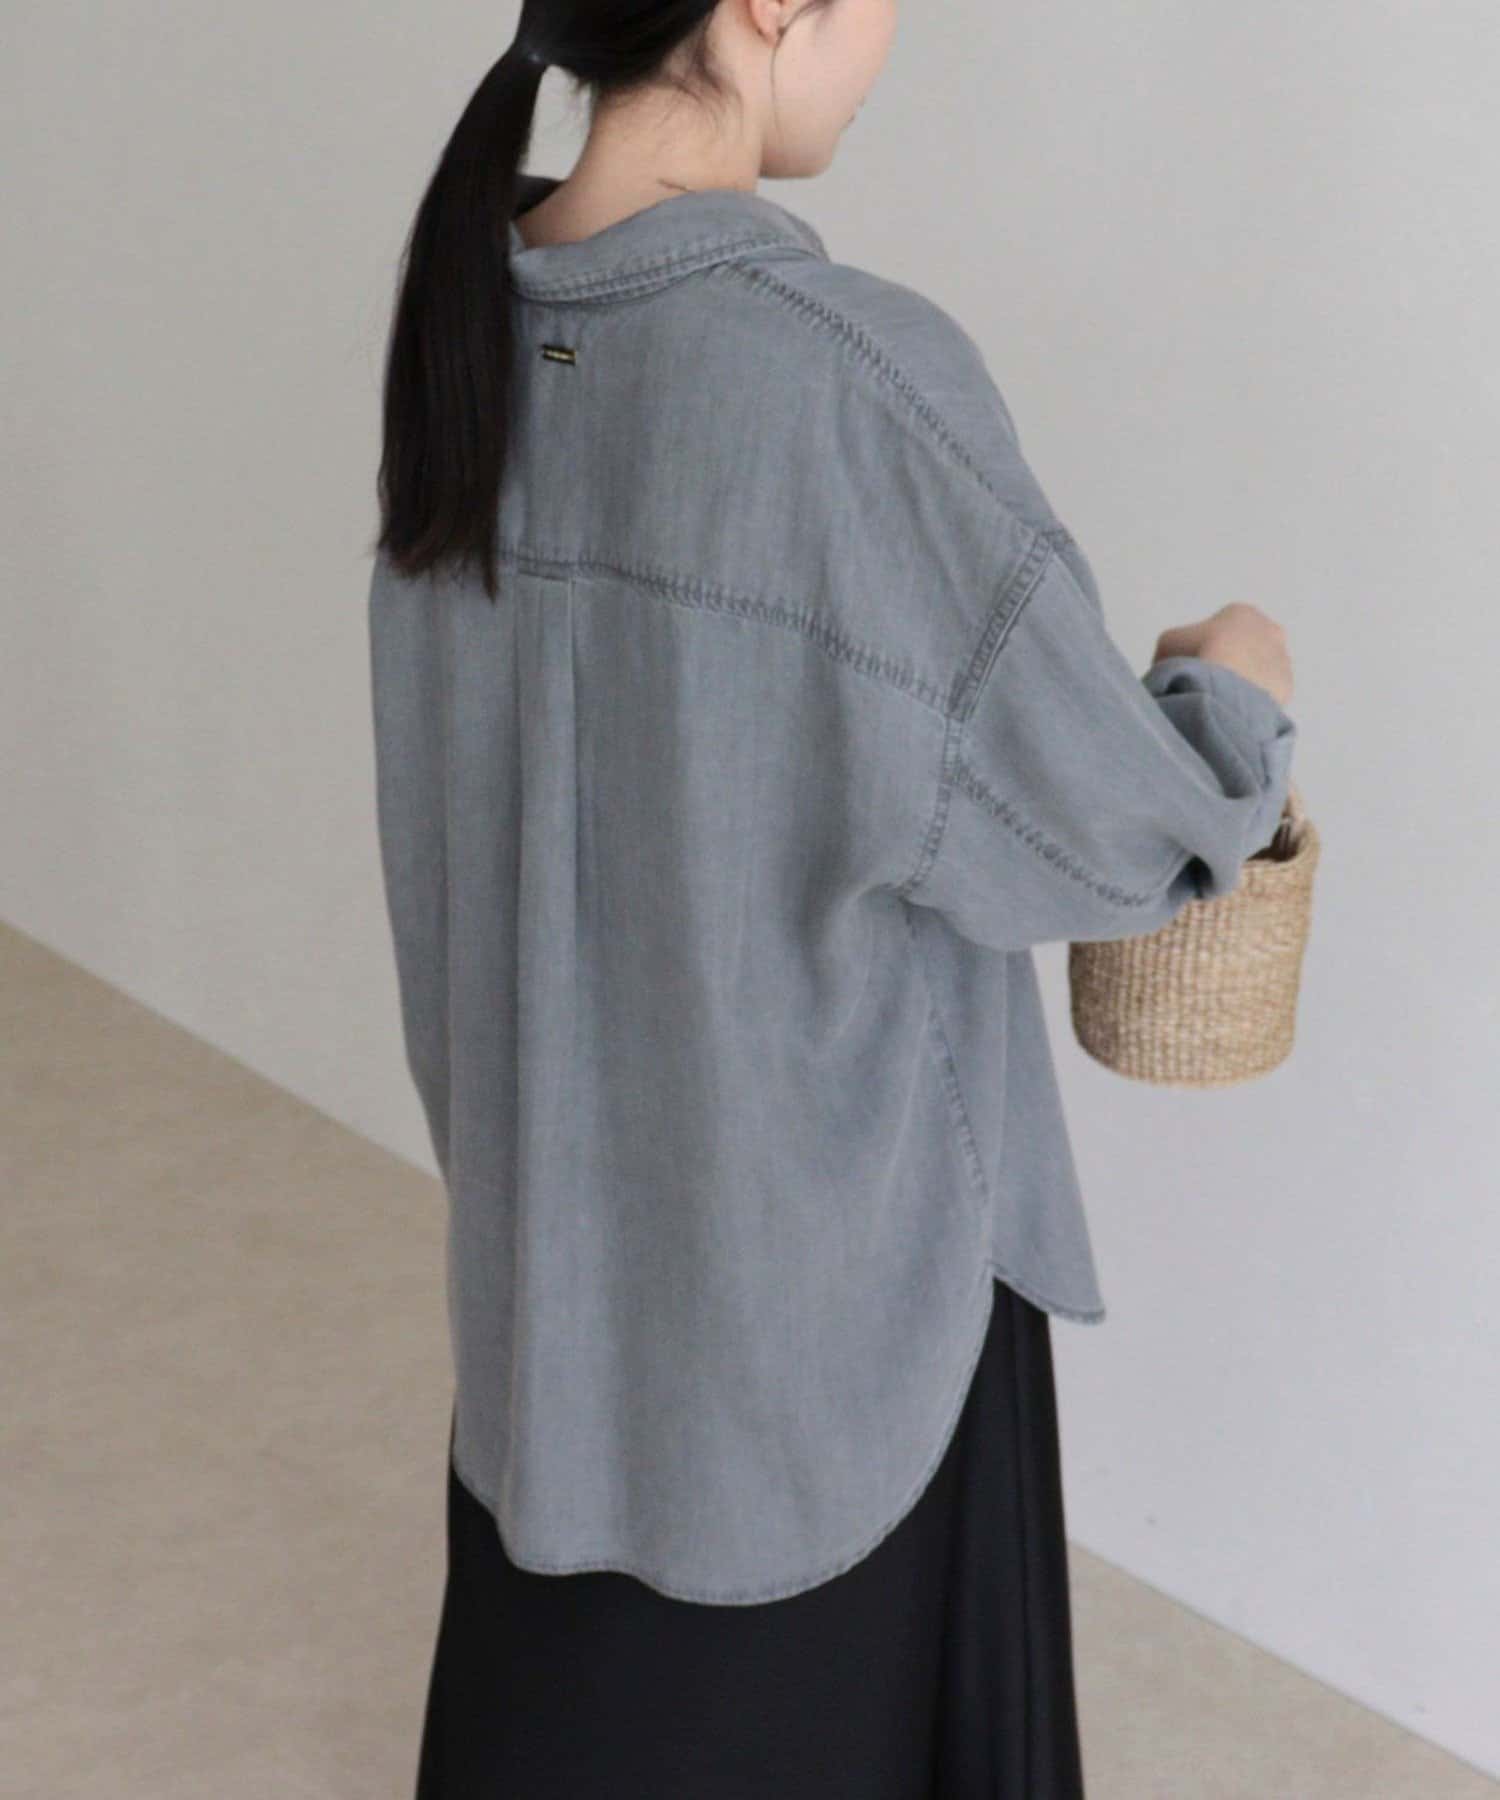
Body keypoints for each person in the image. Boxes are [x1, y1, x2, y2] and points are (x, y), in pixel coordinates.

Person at [365, 1, 1298, 1793]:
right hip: (833, 1334)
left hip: (557, 1319)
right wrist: (1234, 691)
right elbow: (1122, 839)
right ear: (769, 3)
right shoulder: (848, 380)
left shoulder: (468, 328)